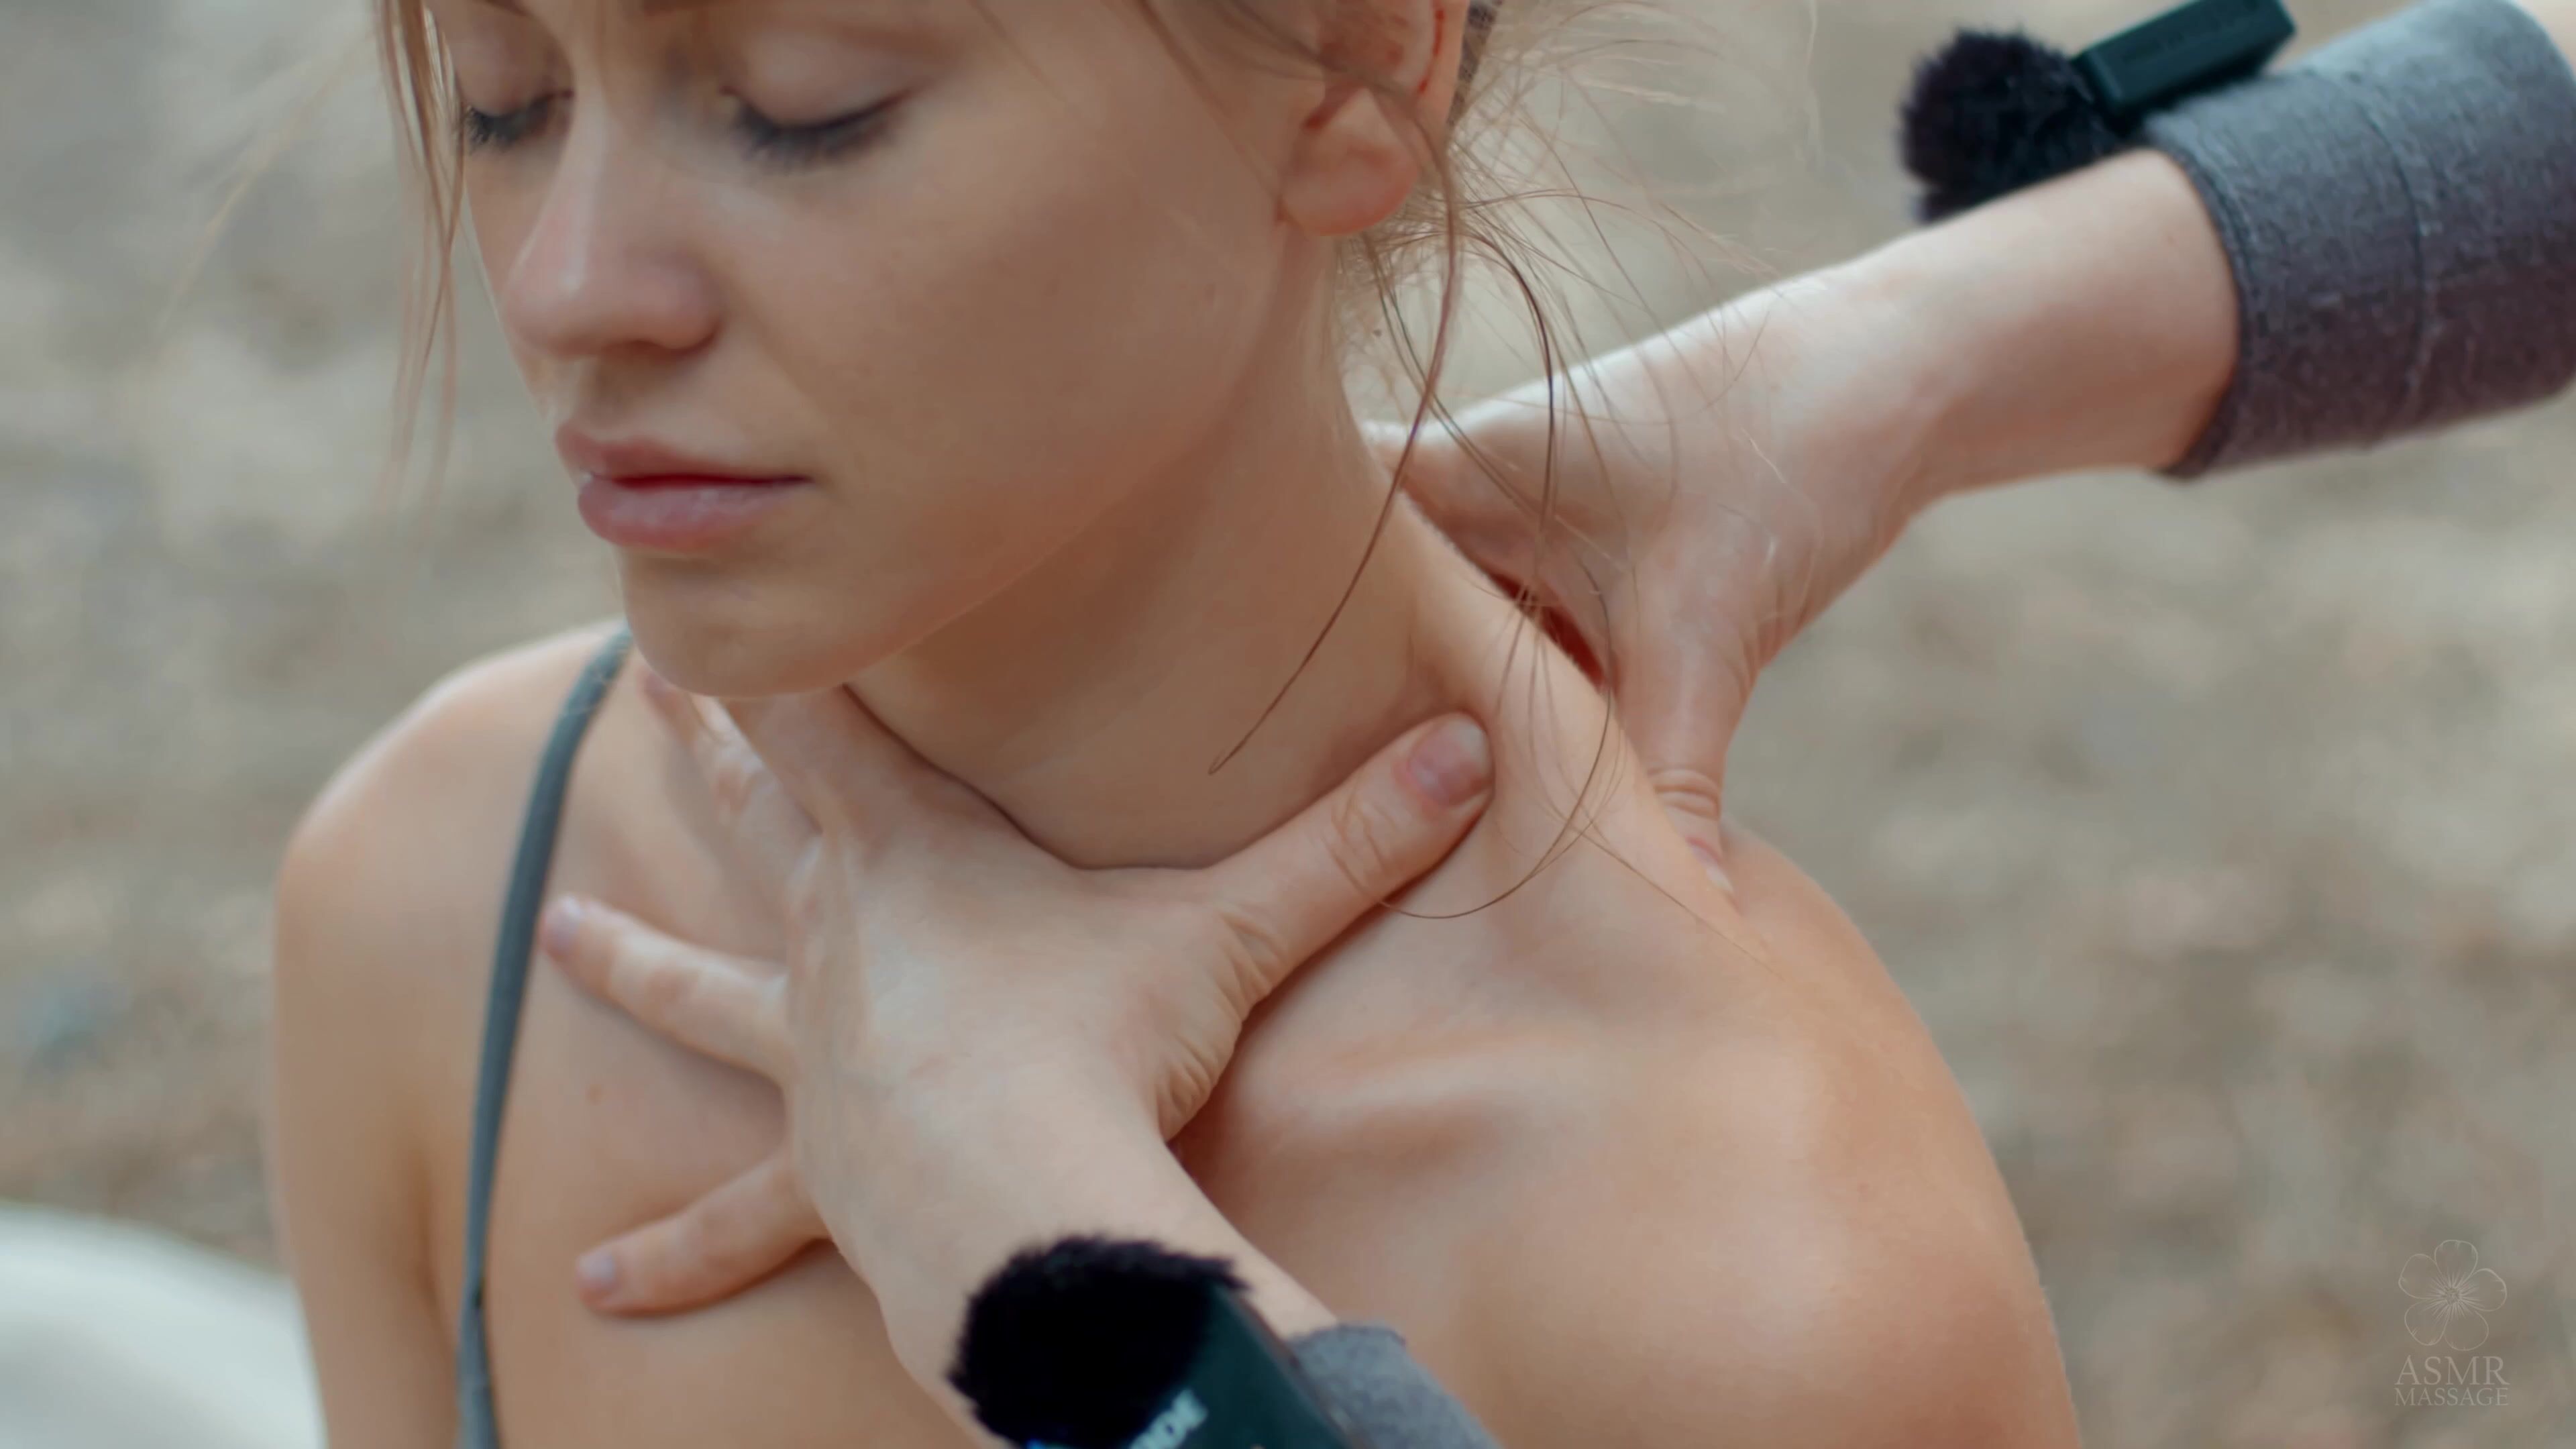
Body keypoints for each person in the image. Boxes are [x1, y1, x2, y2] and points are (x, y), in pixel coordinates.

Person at [266, 0, 2079, 1446]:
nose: (562, 287)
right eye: (507, 95)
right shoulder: (438, 897)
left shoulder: (1757, 1290)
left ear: (1353, 60)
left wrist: (1067, 1282)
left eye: (802, 101)